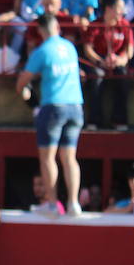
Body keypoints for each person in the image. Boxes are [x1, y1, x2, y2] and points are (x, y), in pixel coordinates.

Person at [17, 13, 84, 216]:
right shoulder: (70, 47)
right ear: (57, 27)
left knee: (47, 157)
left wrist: (23, 91)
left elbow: (23, 80)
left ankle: (53, 204)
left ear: (40, 30)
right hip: (76, 105)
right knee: (69, 157)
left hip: (53, 106)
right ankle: (73, 203)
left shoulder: (43, 51)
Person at [80, 0, 134, 130]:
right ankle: (94, 119)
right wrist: (100, 61)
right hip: (98, 61)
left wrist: (120, 60)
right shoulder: (95, 25)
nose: (122, 12)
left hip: (117, 61)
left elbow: (129, 50)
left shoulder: (124, 25)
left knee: (122, 76)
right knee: (96, 77)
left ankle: (120, 120)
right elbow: (88, 49)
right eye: (119, 8)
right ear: (109, 9)